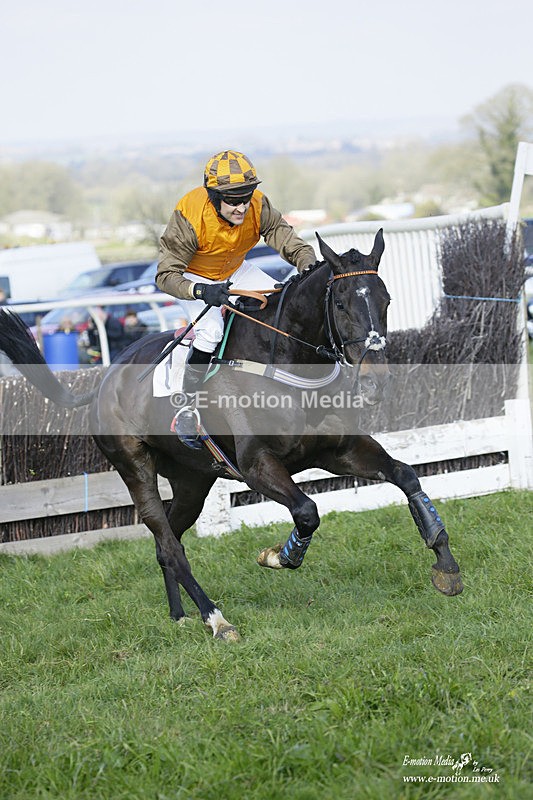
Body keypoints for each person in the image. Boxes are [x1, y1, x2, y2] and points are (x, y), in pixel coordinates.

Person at [157, 149, 317, 446]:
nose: (242, 207)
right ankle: (187, 408)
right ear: (214, 197)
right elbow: (165, 276)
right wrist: (201, 291)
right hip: (192, 277)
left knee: (281, 303)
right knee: (211, 330)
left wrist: (308, 265)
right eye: (233, 200)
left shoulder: (257, 204)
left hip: (235, 270)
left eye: (246, 197)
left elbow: (288, 240)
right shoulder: (189, 214)